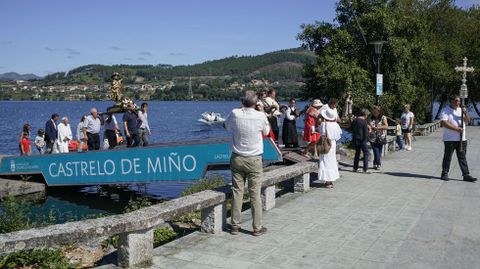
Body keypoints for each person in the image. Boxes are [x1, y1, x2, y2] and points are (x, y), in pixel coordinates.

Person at [224, 90, 270, 236]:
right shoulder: (260, 115)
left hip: (237, 157)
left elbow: (226, 126)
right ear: (256, 103)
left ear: (242, 101)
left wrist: (240, 107)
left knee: (237, 192)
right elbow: (267, 132)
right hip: (254, 158)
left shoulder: (235, 113)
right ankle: (257, 228)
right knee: (254, 193)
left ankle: (235, 226)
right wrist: (262, 110)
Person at [440, 95, 477, 182]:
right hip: (450, 139)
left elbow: (469, 121)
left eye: (459, 101)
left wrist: (465, 112)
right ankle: (444, 173)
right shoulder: (445, 110)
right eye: (456, 101)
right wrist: (457, 129)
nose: (458, 103)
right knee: (448, 157)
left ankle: (466, 175)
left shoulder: (461, 110)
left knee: (462, 157)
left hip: (462, 139)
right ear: (451, 101)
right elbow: (444, 123)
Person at [318, 98, 342, 188]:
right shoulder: (335, 125)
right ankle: (331, 179)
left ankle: (327, 181)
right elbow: (337, 136)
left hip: (325, 144)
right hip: (333, 144)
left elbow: (321, 134)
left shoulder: (324, 125)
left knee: (324, 161)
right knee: (332, 161)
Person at [351, 109, 370, 173]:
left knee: (357, 153)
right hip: (362, 139)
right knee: (366, 153)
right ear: (365, 114)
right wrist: (368, 135)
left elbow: (351, 129)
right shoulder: (364, 121)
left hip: (355, 138)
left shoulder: (354, 120)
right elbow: (365, 132)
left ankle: (355, 168)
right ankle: (365, 169)